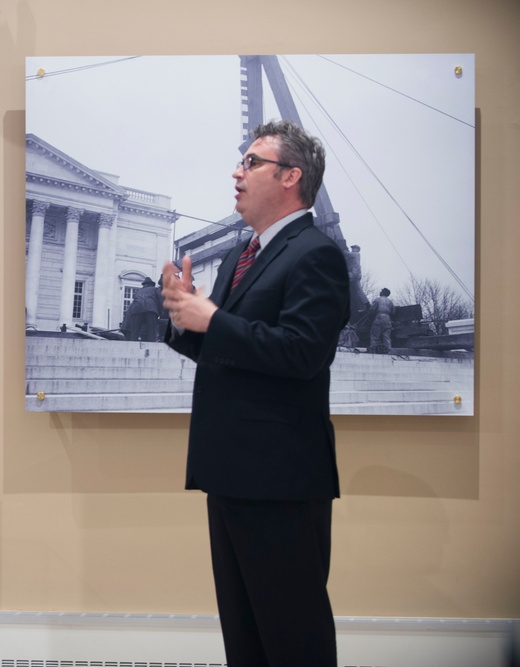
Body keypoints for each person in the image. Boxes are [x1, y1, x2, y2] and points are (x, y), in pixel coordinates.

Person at [161, 119, 350, 667]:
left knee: (293, 639)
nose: (236, 173)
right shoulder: (248, 252)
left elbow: (302, 352)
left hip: (280, 481)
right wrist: (183, 317)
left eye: (250, 162)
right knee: (247, 641)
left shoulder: (316, 253)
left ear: (291, 176)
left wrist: (212, 319)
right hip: (231, 474)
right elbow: (226, 348)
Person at [369, 287, 394, 354]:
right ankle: (388, 351)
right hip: (388, 319)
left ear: (383, 292)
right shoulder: (390, 302)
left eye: (381, 291)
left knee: (375, 335)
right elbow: (393, 312)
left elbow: (372, 310)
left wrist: (371, 316)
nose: (380, 292)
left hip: (379, 318)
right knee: (386, 336)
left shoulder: (377, 300)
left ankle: (373, 350)